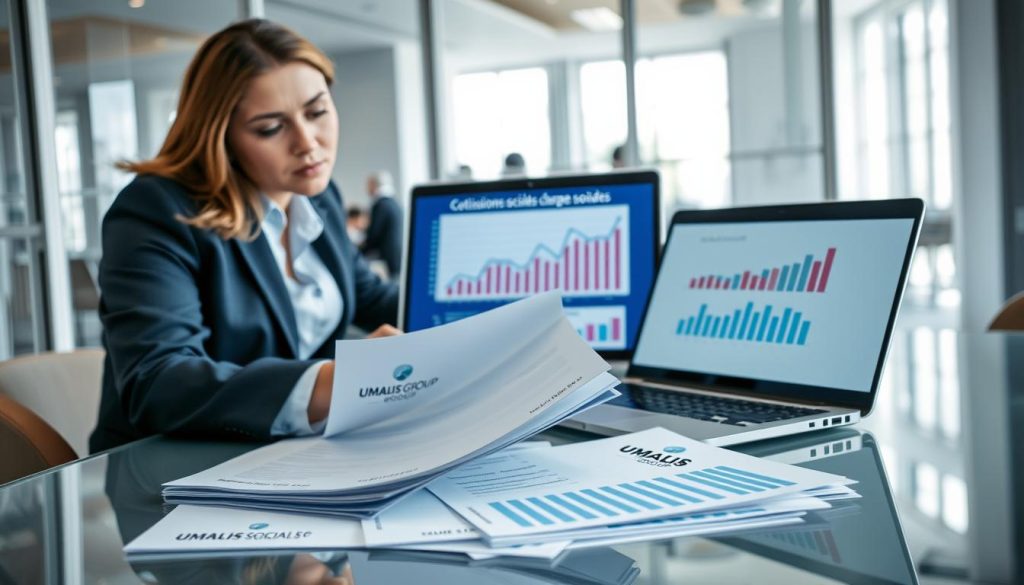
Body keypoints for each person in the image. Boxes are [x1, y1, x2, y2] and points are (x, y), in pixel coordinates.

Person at [89, 19, 399, 453]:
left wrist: (473, 314)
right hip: (178, 472)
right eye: (271, 128)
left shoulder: (318, 195)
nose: (308, 143)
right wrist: (334, 381)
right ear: (222, 136)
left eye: (317, 111)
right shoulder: (156, 210)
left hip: (296, 456)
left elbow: (366, 294)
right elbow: (158, 380)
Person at [360, 170, 403, 278]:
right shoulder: (394, 203)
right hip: (397, 254)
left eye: (368, 185)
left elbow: (374, 233)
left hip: (388, 256)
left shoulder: (380, 205)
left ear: (374, 185)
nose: (367, 189)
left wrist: (359, 251)